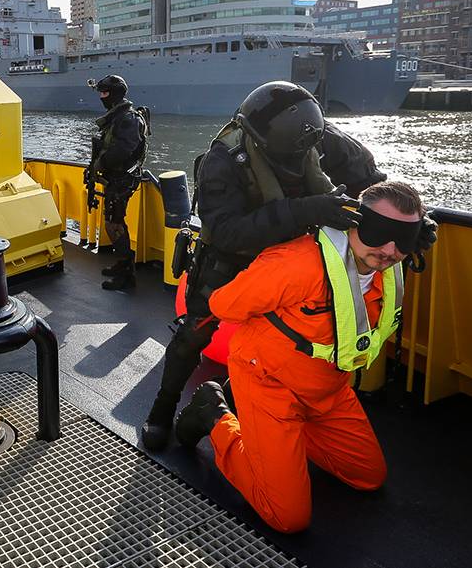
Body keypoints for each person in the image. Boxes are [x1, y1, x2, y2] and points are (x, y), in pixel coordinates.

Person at [140, 81, 435, 450]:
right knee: (193, 334)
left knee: (289, 344)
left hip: (301, 258)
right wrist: (306, 210)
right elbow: (227, 231)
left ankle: (218, 401)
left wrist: (411, 227)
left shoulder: (322, 139)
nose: (296, 160)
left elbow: (374, 186)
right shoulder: (224, 160)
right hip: (233, 257)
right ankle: (163, 408)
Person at [172, 180, 428, 534]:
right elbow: (224, 305)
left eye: (403, 239)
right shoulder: (296, 264)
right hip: (270, 383)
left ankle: (283, 442)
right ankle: (213, 414)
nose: (389, 250)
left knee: (368, 477)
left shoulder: (390, 269)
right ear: (353, 221)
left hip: (327, 390)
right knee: (288, 516)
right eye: (379, 232)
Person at [87, 75, 148, 291]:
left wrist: (100, 164)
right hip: (115, 178)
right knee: (114, 221)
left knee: (115, 224)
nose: (102, 97)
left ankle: (127, 275)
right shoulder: (117, 117)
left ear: (114, 94)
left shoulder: (128, 119)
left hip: (123, 179)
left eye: (105, 93)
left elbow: (123, 150)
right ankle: (122, 264)